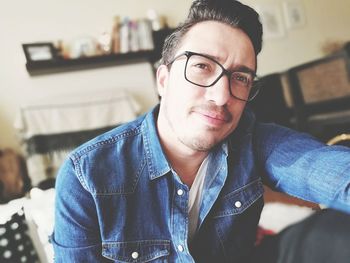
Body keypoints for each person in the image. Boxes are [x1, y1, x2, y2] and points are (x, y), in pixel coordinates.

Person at [52, 0, 350, 262]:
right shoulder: (86, 175)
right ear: (163, 80)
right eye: (203, 67)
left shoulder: (252, 138)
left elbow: (331, 173)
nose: (221, 96)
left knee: (329, 233)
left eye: (240, 77)